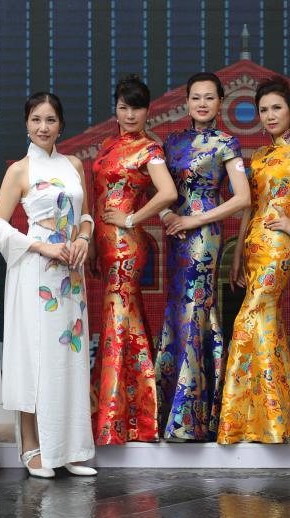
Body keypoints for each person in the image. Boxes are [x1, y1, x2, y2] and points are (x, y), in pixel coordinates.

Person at [218, 76, 290, 444]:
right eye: (263, 110)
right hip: (253, 246)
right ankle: (282, 420)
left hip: (278, 247)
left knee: (248, 320)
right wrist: (237, 254)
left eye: (276, 108)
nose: (269, 115)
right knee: (269, 326)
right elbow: (249, 208)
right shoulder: (259, 157)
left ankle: (260, 422)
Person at [0, 91, 96, 477]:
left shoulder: (73, 164)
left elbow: (86, 216)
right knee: (35, 357)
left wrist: (83, 238)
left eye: (50, 120)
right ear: (26, 124)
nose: (43, 127)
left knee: (67, 358)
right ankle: (32, 445)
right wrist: (40, 246)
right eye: (36, 119)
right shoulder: (20, 170)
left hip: (71, 274)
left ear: (61, 125)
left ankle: (69, 448)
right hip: (35, 271)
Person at [155, 72, 250, 441]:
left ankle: (193, 418)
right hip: (176, 235)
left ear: (220, 102)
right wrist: (168, 216)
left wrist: (194, 219)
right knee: (177, 311)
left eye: (209, 97)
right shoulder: (172, 142)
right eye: (196, 97)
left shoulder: (227, 143)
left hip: (204, 237)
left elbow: (242, 198)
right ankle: (171, 412)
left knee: (197, 310)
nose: (202, 104)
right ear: (186, 102)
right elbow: (160, 190)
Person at [92, 75, 178, 445]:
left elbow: (168, 192)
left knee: (118, 321)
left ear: (147, 111)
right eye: (124, 107)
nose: (130, 115)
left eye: (137, 108)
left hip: (126, 244)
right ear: (116, 109)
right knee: (125, 320)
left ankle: (118, 419)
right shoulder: (107, 145)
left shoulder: (150, 150)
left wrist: (131, 219)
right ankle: (133, 414)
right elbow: (97, 197)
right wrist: (92, 244)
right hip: (103, 243)